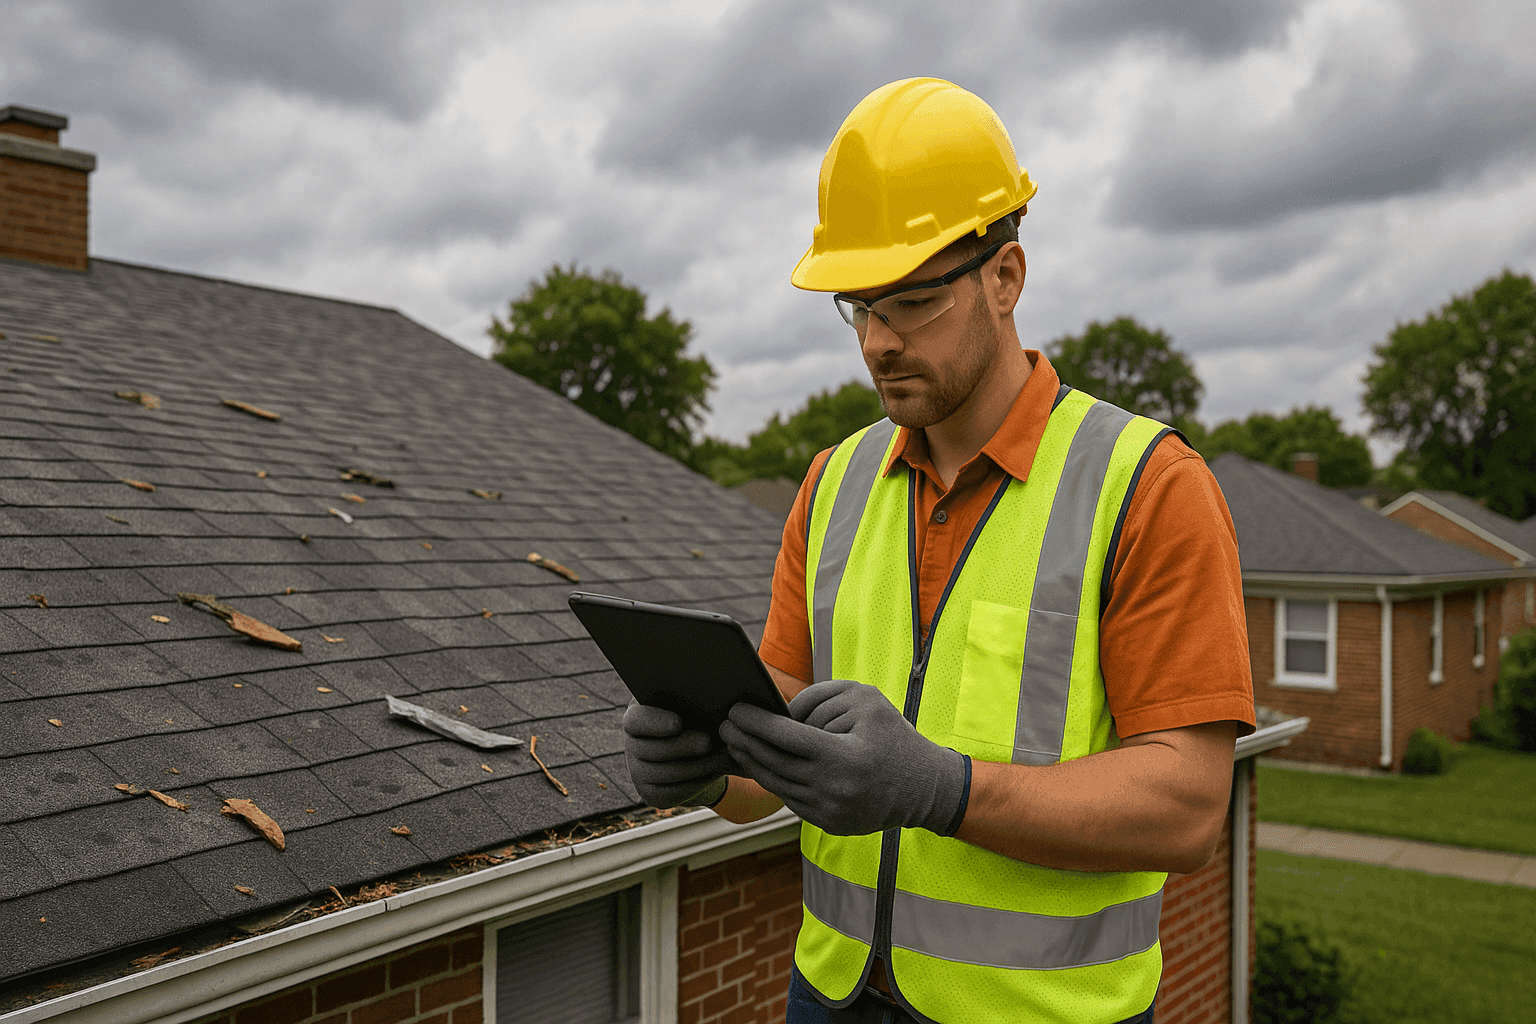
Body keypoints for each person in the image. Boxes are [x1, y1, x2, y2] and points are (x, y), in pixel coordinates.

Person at [623, 78, 1255, 1024]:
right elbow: (772, 767)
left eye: (914, 301)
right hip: (829, 998)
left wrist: (938, 787)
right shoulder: (832, 486)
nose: (879, 342)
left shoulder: (1147, 487)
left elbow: (1189, 808)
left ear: (1006, 277)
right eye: (859, 307)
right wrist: (712, 768)